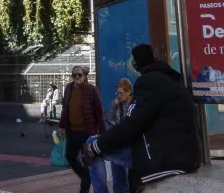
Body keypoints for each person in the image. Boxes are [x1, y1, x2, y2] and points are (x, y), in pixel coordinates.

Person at [86, 44, 200, 191]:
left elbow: (133, 124)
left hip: (165, 157)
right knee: (110, 142)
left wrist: (97, 145)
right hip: (186, 154)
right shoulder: (172, 81)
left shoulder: (148, 82)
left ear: (137, 65)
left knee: (91, 143)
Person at [59, 65, 104, 193]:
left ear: (85, 76)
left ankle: (83, 190)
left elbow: (99, 112)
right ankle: (85, 176)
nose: (77, 77)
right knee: (70, 156)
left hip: (87, 133)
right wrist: (61, 125)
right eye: (74, 75)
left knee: (87, 162)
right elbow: (65, 109)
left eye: (80, 74)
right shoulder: (68, 88)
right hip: (72, 132)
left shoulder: (91, 89)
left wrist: (102, 132)